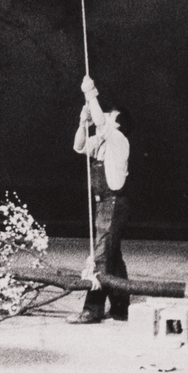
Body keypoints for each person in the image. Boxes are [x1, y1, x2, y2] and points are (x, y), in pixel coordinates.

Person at [69, 74, 132, 324]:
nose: (105, 117)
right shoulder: (103, 141)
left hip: (114, 203)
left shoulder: (118, 139)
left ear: (118, 124)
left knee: (102, 256)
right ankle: (120, 305)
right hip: (104, 203)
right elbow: (79, 146)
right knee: (112, 255)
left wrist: (91, 93)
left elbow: (101, 121)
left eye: (111, 116)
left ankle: (92, 309)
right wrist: (81, 122)